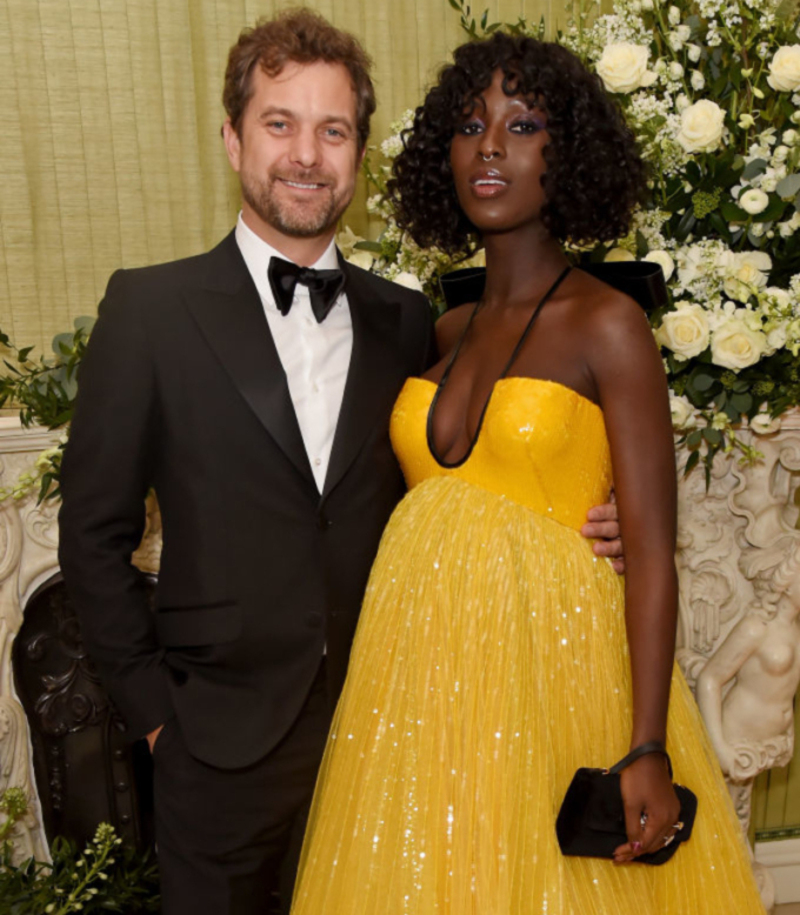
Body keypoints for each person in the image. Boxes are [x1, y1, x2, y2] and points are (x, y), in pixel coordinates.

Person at [57, 11, 623, 915]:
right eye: (280, 123)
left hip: (397, 727)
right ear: (233, 138)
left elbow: (465, 485)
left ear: (358, 153)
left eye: (333, 130)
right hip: (216, 748)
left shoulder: (412, 321)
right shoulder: (149, 311)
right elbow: (91, 535)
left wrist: (601, 517)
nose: (307, 156)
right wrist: (162, 718)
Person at [289, 32, 766, 914]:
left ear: (568, 152)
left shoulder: (608, 325)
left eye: (524, 123)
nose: (492, 146)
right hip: (423, 691)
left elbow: (653, 553)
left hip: (558, 680)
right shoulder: (442, 331)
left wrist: (650, 745)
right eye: (470, 126)